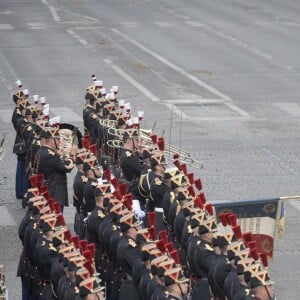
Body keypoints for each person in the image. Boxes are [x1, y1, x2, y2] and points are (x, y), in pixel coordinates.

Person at [36, 127, 76, 212]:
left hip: (48, 188)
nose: (60, 141)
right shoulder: (50, 155)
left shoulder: (43, 151)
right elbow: (67, 168)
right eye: (57, 139)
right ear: (51, 140)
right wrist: (72, 157)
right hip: (55, 192)